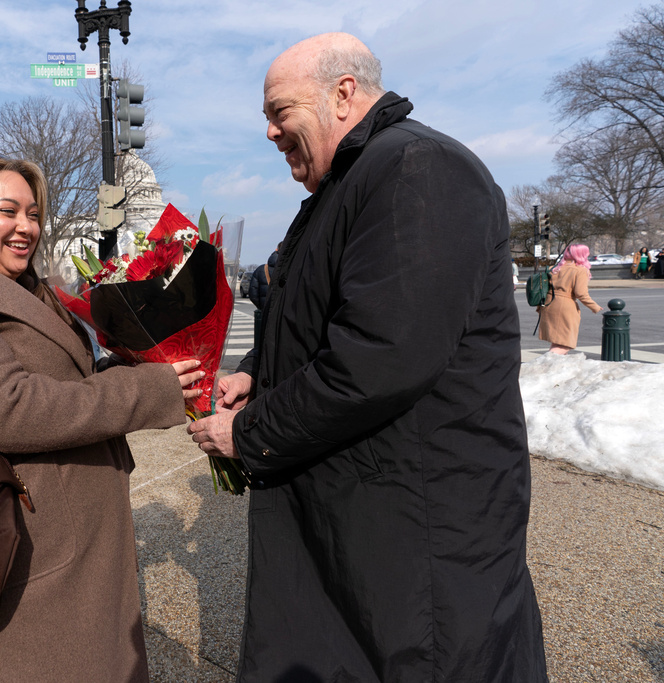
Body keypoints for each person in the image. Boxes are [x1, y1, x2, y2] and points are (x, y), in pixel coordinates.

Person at [187, 33, 547, 681]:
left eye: (278, 111)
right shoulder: (345, 184)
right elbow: (311, 309)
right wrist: (255, 374)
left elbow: (380, 356)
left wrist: (248, 433)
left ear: (344, 93)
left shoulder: (419, 170)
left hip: (416, 532)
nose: (269, 132)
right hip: (365, 522)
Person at [0, 148, 201, 681]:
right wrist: (147, 390)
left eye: (33, 213)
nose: (25, 227)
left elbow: (63, 386)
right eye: (7, 211)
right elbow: (10, 408)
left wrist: (148, 362)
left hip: (64, 536)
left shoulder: (29, 290)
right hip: (12, 547)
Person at [538, 244, 603, 355]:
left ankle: (554, 368)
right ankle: (544, 364)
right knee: (566, 344)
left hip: (548, 304)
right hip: (565, 307)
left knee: (557, 341)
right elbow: (581, 293)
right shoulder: (580, 270)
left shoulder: (554, 268)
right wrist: (595, 307)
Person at [248, 243, 280, 310]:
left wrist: (262, 307)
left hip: (267, 309)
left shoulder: (261, 270)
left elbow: (253, 294)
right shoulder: (294, 268)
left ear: (276, 250)